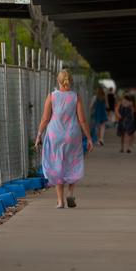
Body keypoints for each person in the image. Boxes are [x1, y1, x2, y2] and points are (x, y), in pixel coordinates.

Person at [36, 70, 93, 209]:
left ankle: (60, 201)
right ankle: (71, 193)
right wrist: (89, 138)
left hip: (55, 134)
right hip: (72, 135)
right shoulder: (75, 97)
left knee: (57, 165)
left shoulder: (51, 96)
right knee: (72, 163)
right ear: (70, 81)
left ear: (58, 81)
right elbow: (82, 120)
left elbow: (45, 119)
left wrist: (38, 135)